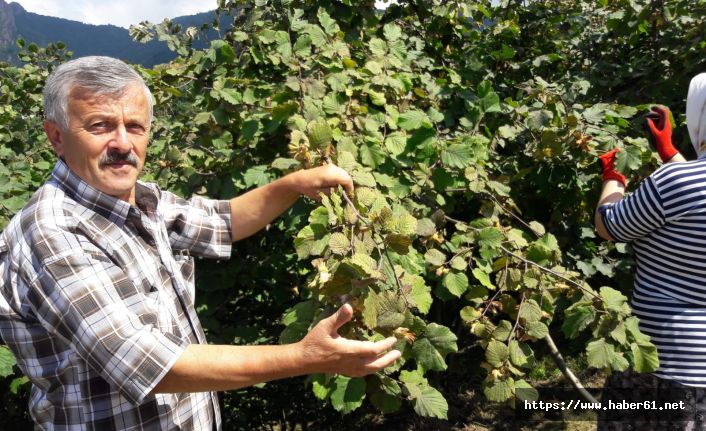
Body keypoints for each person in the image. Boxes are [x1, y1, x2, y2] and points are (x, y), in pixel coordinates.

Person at [0, 56, 401, 430]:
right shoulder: (52, 233)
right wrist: (305, 357)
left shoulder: (143, 201)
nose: (123, 143)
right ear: (56, 136)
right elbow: (151, 364)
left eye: (135, 127)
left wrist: (294, 185)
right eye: (100, 126)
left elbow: (221, 221)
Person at [595, 74, 706, 429]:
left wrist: (613, 178)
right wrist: (670, 155)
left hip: (662, 363)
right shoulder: (682, 179)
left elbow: (609, 225)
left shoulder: (677, 183)